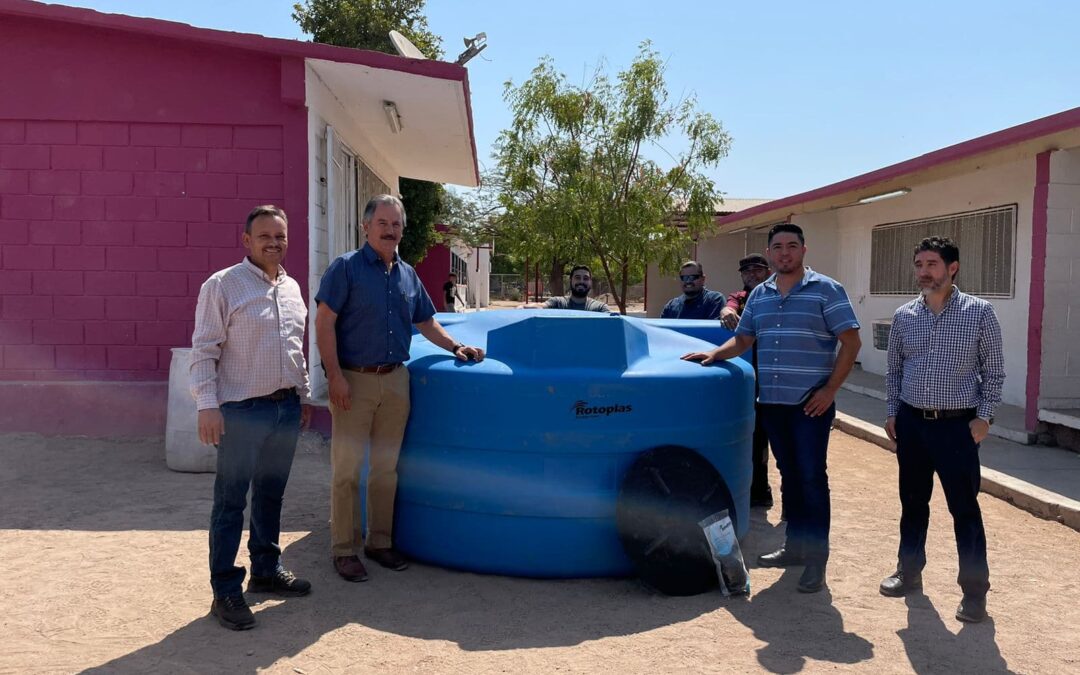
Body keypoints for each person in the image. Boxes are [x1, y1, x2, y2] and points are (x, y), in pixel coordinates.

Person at [682, 223, 861, 594]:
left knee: (812, 478)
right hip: (773, 403)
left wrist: (830, 390)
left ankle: (816, 560)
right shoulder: (760, 295)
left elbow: (851, 342)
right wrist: (714, 354)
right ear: (769, 253)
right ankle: (794, 548)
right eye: (777, 247)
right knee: (790, 477)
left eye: (792, 246)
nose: (784, 253)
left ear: (803, 250)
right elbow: (744, 338)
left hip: (811, 403)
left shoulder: (827, 290)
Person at [315, 194, 485, 583]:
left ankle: (379, 542)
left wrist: (456, 346)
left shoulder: (408, 274)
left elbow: (426, 321)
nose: (390, 230)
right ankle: (344, 549)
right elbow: (324, 324)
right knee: (346, 469)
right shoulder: (346, 269)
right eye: (382, 223)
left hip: (395, 380)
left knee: (386, 468)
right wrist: (335, 376)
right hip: (353, 380)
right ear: (366, 227)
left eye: (396, 225)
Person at [190, 204, 314, 631]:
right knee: (230, 503)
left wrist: (300, 397)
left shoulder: (292, 288)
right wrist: (207, 404)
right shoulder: (223, 286)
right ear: (246, 241)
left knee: (270, 495)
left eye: (280, 236)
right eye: (264, 236)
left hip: (284, 407)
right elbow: (204, 350)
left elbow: (296, 347)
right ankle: (225, 589)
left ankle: (266, 570)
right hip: (241, 411)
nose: (273, 243)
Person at [879, 236, 1004, 624]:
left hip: (956, 429)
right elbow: (895, 369)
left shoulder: (979, 313)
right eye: (918, 264)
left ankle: (974, 593)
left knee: (964, 510)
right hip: (913, 424)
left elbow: (994, 371)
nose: (923, 272)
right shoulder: (904, 316)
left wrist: (984, 418)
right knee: (913, 504)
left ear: (953, 268)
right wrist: (892, 411)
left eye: (931, 264)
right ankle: (909, 571)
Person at [718, 253, 775, 508]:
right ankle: (758, 491)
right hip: (752, 380)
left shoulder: (777, 295)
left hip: (779, 378)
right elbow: (729, 305)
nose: (752, 275)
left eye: (757, 270)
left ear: (767, 271)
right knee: (755, 436)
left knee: (782, 442)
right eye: (747, 272)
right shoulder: (740, 298)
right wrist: (727, 310)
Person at [660, 261, 726, 319]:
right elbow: (662, 331)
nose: (688, 281)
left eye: (693, 277)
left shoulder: (715, 300)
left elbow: (713, 331)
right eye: (684, 278)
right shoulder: (671, 306)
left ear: (703, 279)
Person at [535, 265, 611, 312]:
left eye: (585, 278)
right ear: (570, 280)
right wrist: (523, 307)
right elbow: (540, 306)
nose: (581, 281)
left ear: (590, 282)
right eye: (577, 278)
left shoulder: (600, 308)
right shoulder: (558, 303)